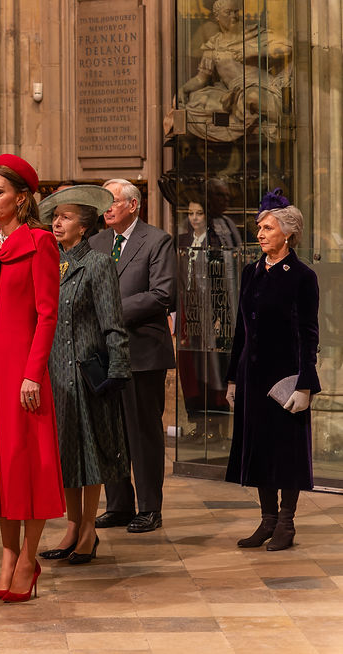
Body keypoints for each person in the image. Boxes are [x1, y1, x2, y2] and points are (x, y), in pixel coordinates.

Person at [0, 154, 64, 602]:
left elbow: (47, 315)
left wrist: (33, 374)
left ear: (21, 198)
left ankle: (28, 559)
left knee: (29, 465)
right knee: (1, 467)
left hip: (24, 375)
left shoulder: (41, 243)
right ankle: (5, 560)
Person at [35, 185, 131, 565]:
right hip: (54, 375)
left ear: (84, 227)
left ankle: (88, 528)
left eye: (67, 217)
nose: (57, 222)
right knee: (66, 455)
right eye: (56, 216)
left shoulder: (98, 264)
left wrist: (118, 371)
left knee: (92, 454)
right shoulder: (48, 262)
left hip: (89, 375)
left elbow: (113, 324)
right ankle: (72, 525)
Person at [226, 191, 319, 551]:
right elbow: (240, 330)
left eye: (268, 227)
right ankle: (266, 520)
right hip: (252, 376)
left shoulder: (301, 276)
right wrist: (233, 378)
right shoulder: (251, 271)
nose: (260, 233)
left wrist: (306, 384)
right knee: (260, 450)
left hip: (285, 378)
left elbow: (309, 334)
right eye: (258, 228)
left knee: (287, 451)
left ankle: (286, 523)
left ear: (288, 232)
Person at [91, 179, 175, 534]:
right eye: (104, 203)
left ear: (133, 205)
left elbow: (162, 294)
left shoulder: (157, 241)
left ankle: (150, 508)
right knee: (111, 433)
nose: (107, 208)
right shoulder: (95, 243)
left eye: (113, 201)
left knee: (142, 434)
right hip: (104, 354)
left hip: (142, 352)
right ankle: (119, 505)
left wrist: (110, 310)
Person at [176, 0, 293, 142]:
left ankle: (286, 121)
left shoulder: (252, 34)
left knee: (252, 97)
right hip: (234, 93)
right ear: (217, 17)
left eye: (236, 11)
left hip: (261, 85)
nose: (233, 16)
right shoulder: (213, 45)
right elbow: (201, 78)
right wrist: (184, 88)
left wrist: (255, 51)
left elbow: (288, 47)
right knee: (196, 101)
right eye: (228, 12)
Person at [175, 193, 238, 436]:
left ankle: (217, 424)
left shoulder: (216, 241)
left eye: (198, 213)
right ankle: (198, 422)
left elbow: (224, 279)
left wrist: (220, 316)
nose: (194, 218)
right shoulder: (182, 240)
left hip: (213, 309)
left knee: (213, 367)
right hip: (188, 309)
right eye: (190, 213)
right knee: (191, 367)